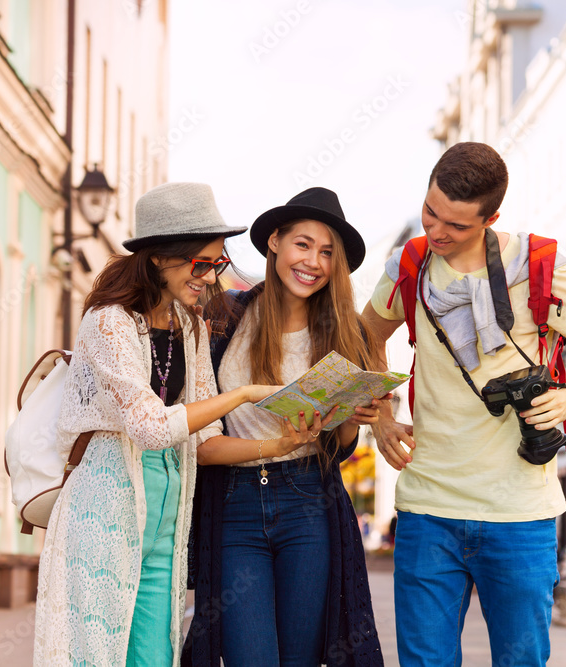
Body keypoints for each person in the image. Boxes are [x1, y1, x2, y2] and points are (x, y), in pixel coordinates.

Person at [362, 142, 566, 665]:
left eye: (457, 226)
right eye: (430, 212)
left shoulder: (537, 265)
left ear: (491, 219)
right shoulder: (411, 264)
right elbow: (368, 332)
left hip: (521, 514)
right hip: (428, 509)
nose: (437, 232)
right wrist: (384, 412)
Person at [34, 182, 281, 666]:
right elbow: (149, 427)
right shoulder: (109, 323)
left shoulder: (189, 328)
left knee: (154, 656)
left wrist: (284, 442)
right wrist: (246, 394)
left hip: (167, 527)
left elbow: (206, 441)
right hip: (105, 515)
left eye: (217, 264)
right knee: (96, 655)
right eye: (201, 264)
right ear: (159, 259)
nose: (210, 279)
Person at [184, 187, 385, 666]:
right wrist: (275, 442)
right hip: (233, 505)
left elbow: (341, 447)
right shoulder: (222, 315)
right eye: (303, 244)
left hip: (308, 504)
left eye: (327, 252)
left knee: (300, 658)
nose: (313, 261)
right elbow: (201, 443)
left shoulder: (345, 331)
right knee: (250, 656)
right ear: (274, 241)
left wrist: (350, 418)